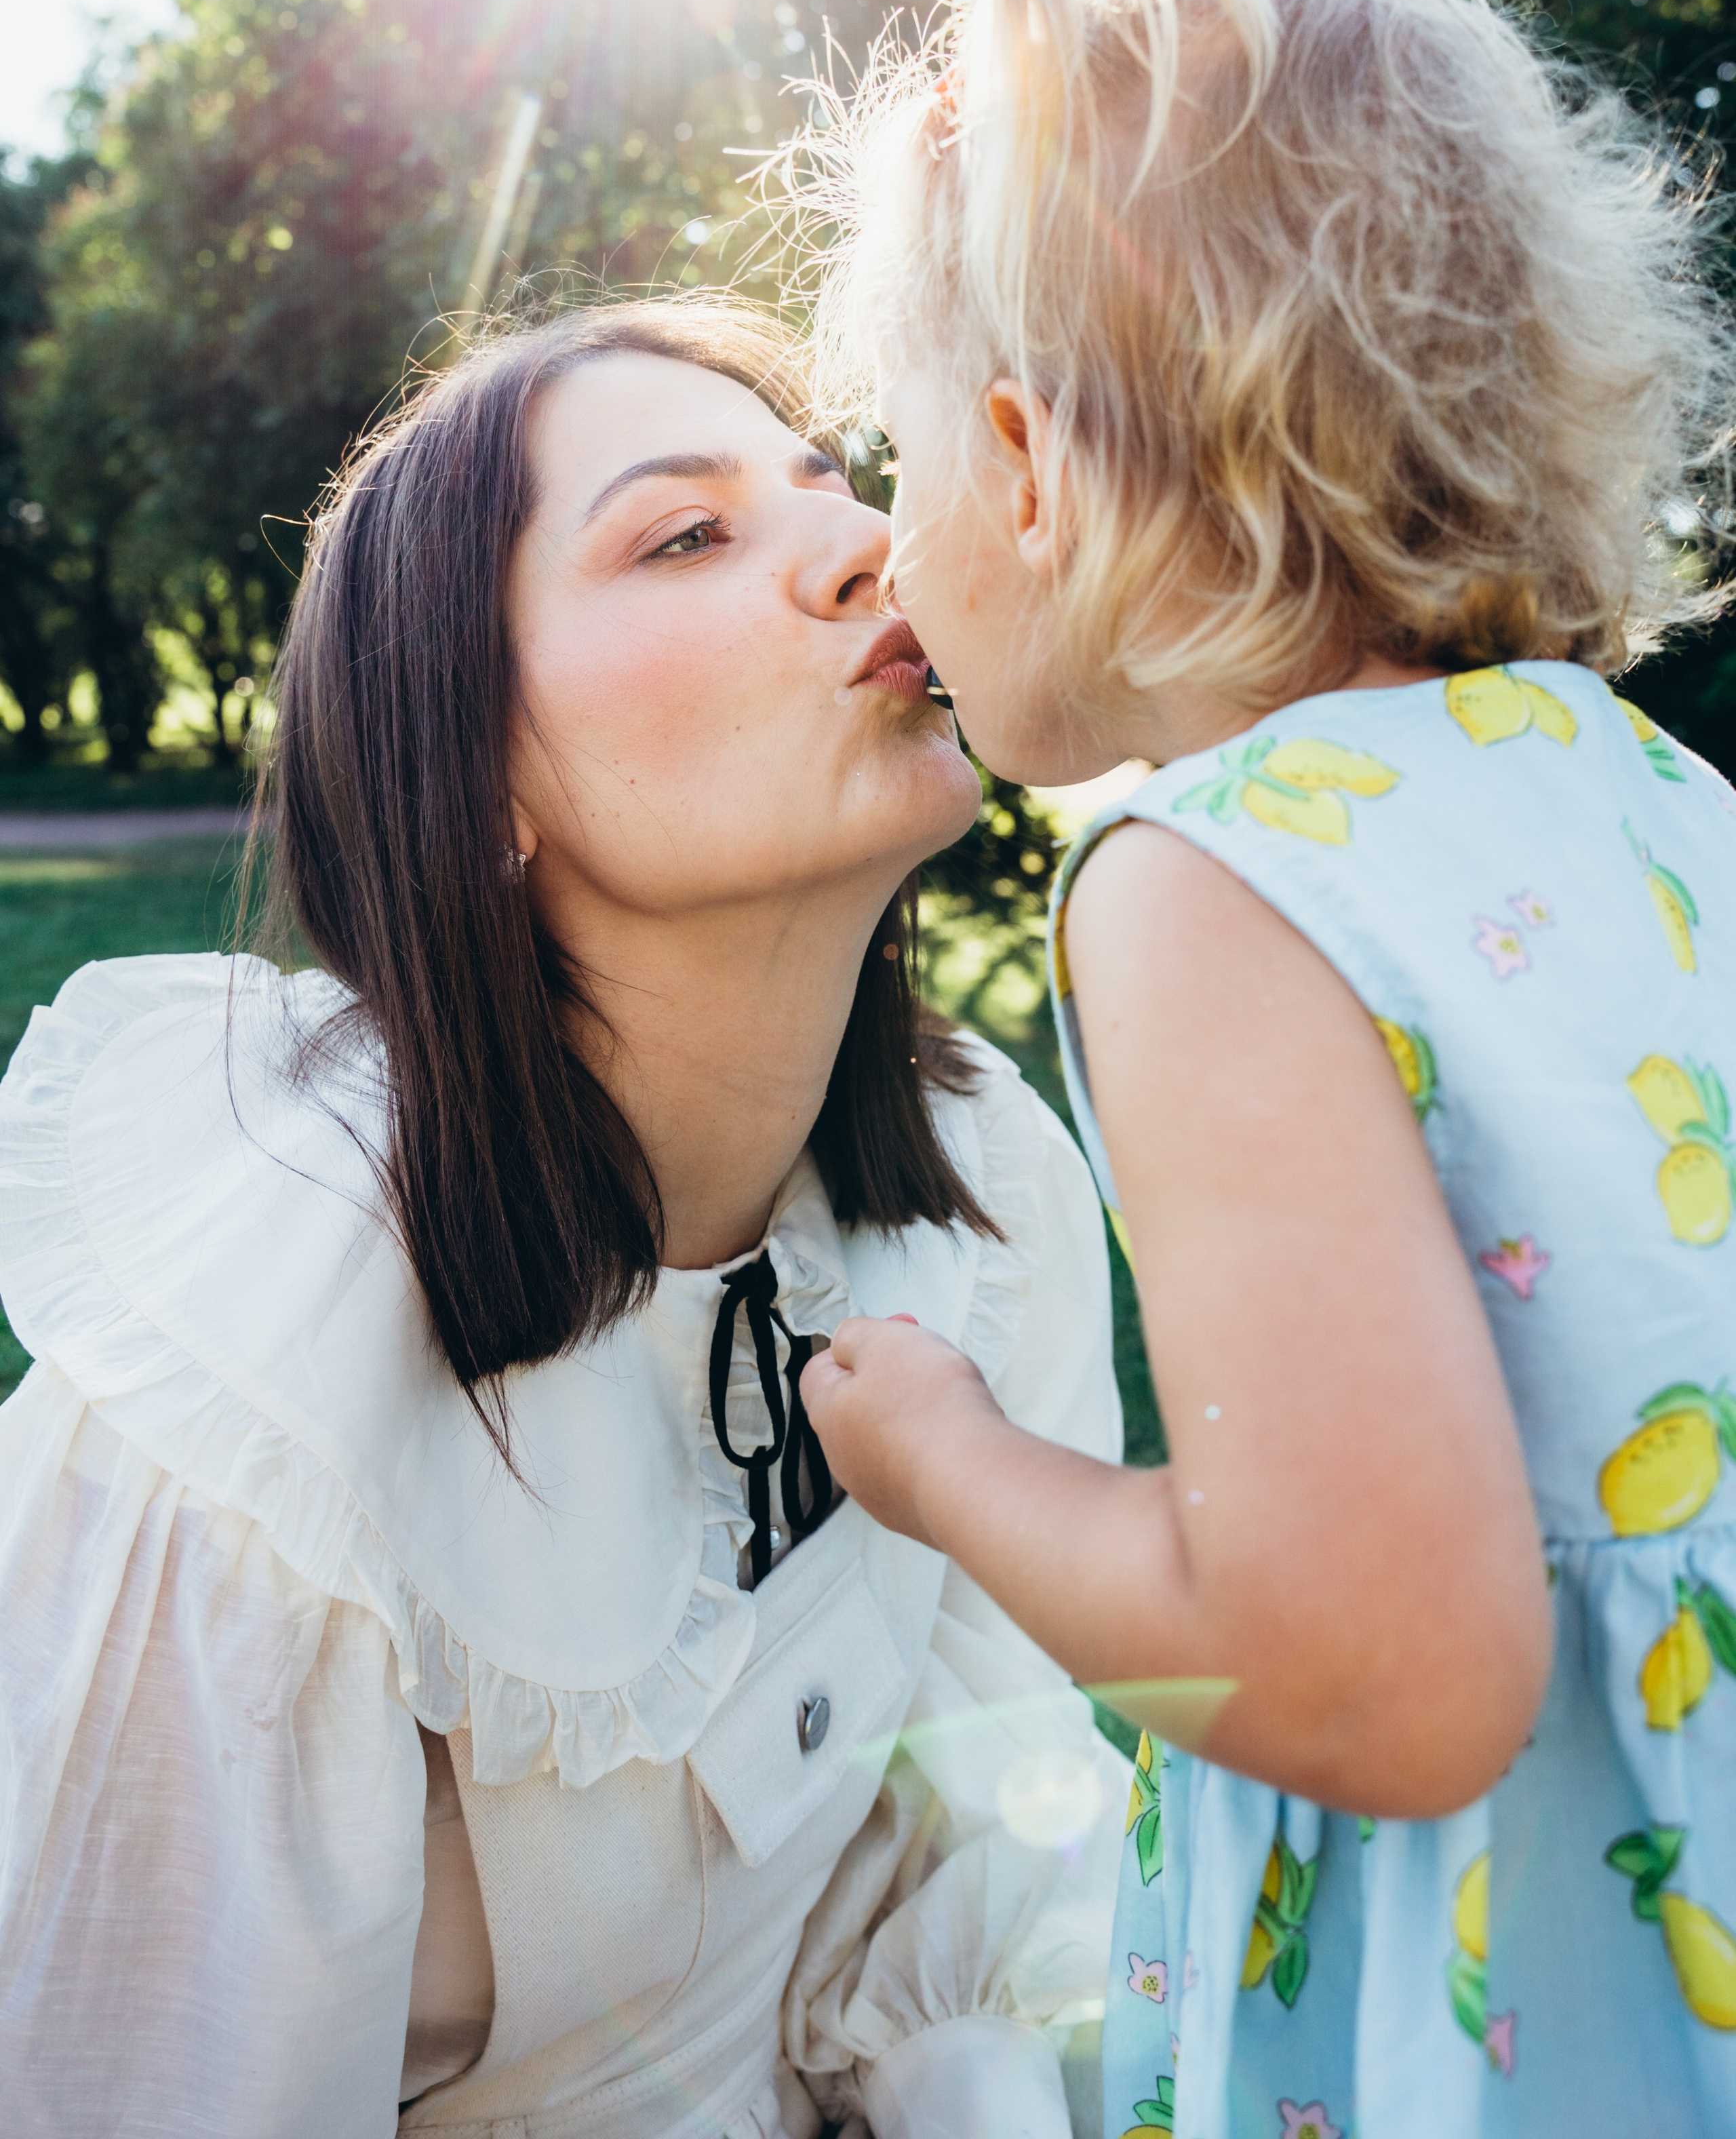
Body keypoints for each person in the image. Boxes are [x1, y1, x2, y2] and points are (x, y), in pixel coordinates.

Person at [785, 0, 1736, 2132]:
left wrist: (960, 1467)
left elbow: (1378, 1680)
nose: (884, 548)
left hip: (1547, 2009)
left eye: (895, 460)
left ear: (1015, 459)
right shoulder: (1639, 787)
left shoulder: (1207, 886)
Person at [0, 298, 1127, 2139]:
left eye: (839, 493)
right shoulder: (259, 1402)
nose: (872, 549)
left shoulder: (992, 1192)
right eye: (688, 534)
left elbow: (970, 1919)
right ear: (483, 773)